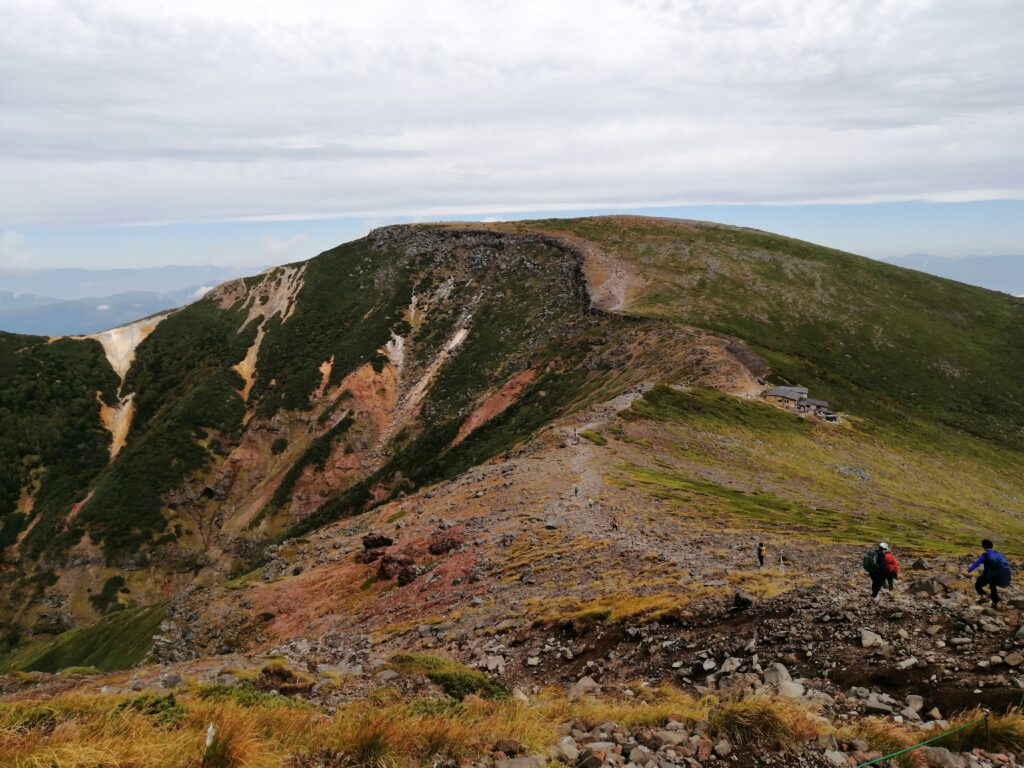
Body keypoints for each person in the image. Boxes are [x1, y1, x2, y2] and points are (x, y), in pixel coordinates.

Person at [967, 539, 1011, 608]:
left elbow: (977, 563)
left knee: (978, 585)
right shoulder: (998, 554)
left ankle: (984, 597)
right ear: (992, 546)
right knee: (993, 587)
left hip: (988, 576)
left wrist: (969, 570)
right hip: (997, 576)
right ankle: (995, 602)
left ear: (983, 546)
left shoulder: (985, 555)